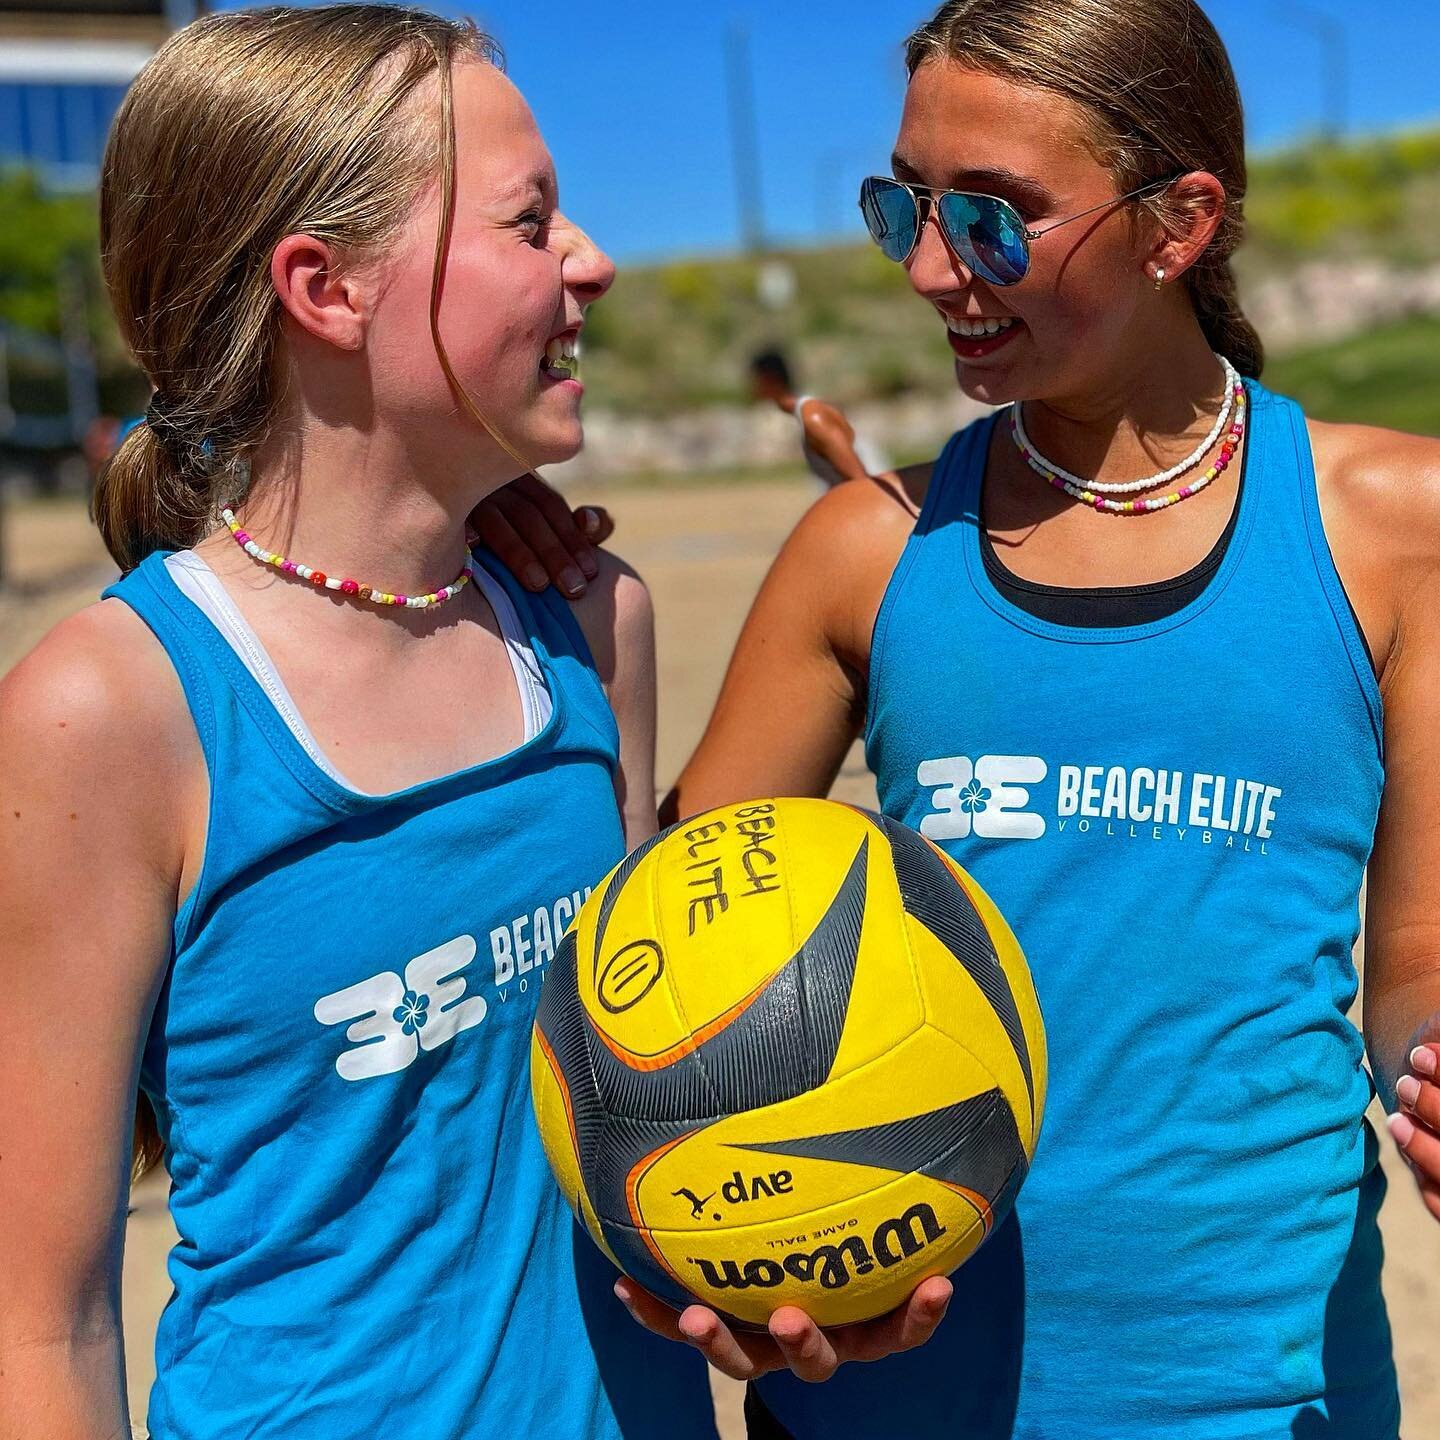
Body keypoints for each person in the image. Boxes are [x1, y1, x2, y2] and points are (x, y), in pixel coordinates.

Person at [481, 1, 1440, 1435]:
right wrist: (722, 1268)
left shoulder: (1393, 529)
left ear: (1180, 222)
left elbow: (1415, 961)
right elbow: (661, 957)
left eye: (994, 219)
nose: (932, 268)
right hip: (884, 1383)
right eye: (905, 208)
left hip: (1250, 1385)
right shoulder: (866, 551)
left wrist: (1432, 1076)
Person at [0, 7, 731, 1437]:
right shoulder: (112, 711)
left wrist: (777, 1278)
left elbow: (639, 1131)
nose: (595, 258)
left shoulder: (594, 627)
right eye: (530, 223)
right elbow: (42, 1318)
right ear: (325, 288)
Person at [749, 348, 892, 488]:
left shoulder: (813, 417)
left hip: (874, 498)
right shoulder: (800, 416)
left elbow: (862, 484)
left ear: (767, 378)